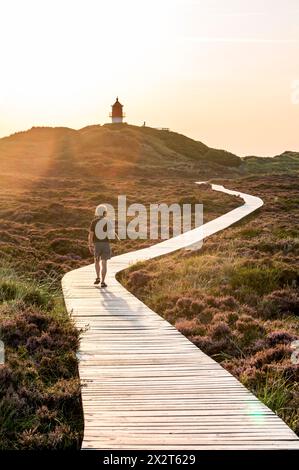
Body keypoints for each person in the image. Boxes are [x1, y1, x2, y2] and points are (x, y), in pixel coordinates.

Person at [88, 204, 119, 286]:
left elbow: (91, 235)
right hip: (105, 244)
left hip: (97, 244)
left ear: (97, 212)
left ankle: (98, 277)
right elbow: (112, 233)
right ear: (105, 212)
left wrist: (90, 245)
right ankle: (103, 282)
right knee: (104, 262)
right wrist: (117, 237)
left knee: (97, 261)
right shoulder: (107, 221)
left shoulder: (94, 222)